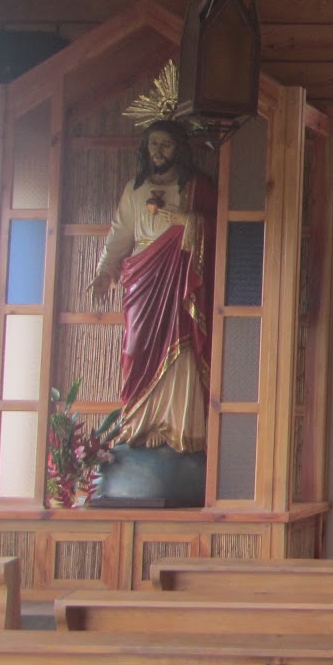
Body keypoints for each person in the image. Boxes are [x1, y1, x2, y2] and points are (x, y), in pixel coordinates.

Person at [88, 119, 216, 453]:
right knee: (137, 347)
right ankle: (140, 424)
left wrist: (187, 222)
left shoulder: (197, 187)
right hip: (143, 279)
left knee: (181, 343)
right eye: (153, 144)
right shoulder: (135, 189)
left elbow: (222, 229)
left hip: (180, 276)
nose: (158, 151)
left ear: (180, 149)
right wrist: (105, 270)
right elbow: (120, 233)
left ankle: (180, 426)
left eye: (166, 144)